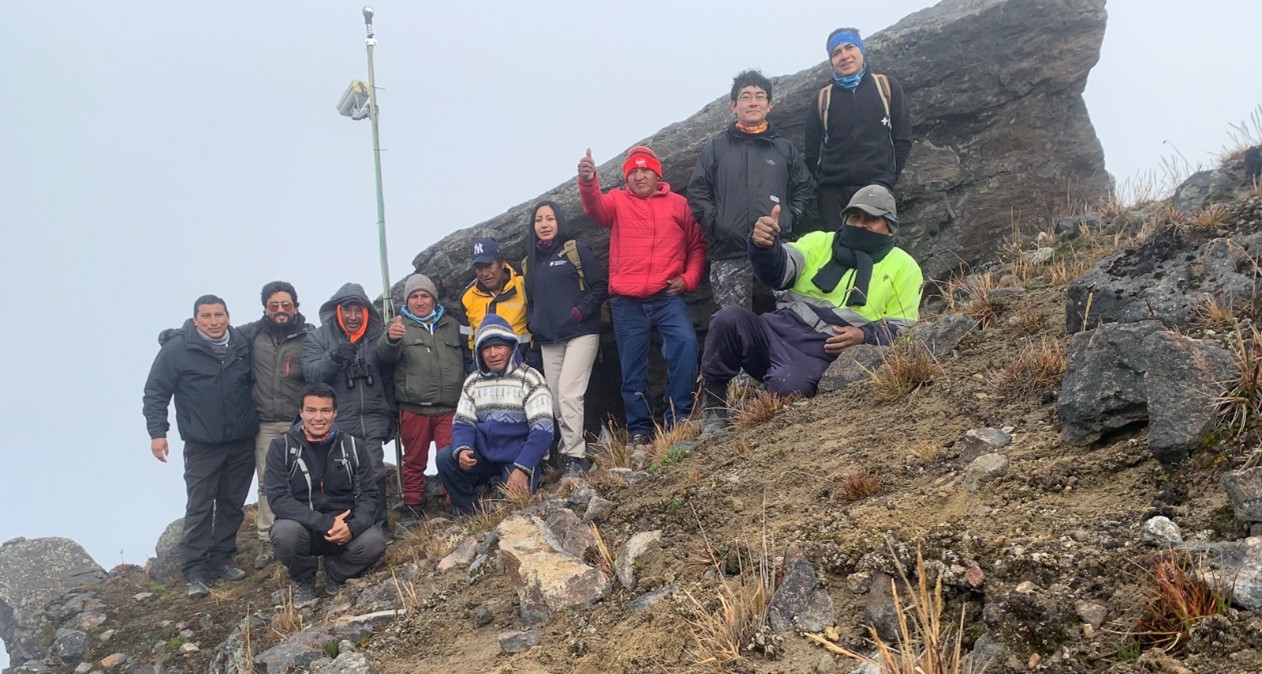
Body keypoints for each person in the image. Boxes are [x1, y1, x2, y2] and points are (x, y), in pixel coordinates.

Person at [699, 185, 922, 431]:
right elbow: (779, 272)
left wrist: (864, 336)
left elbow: (904, 331)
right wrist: (764, 246)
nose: (861, 225)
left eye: (872, 219)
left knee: (787, 386)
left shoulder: (906, 267)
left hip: (822, 351)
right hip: (777, 330)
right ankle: (714, 406)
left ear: (890, 229)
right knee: (727, 319)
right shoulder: (819, 241)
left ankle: (755, 408)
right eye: (855, 217)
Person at [578, 145, 706, 445]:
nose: (639, 176)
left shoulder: (679, 205)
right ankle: (640, 430)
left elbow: (697, 247)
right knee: (632, 366)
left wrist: (688, 280)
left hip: (667, 296)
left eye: (644, 169)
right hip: (627, 301)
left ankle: (680, 417)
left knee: (685, 345)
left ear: (657, 173)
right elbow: (594, 207)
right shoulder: (618, 202)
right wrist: (588, 180)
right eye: (632, 172)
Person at [143, 295, 258, 598]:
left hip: (242, 440)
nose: (213, 321)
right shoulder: (177, 350)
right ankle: (195, 570)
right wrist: (158, 433)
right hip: (202, 444)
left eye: (218, 314)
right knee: (200, 506)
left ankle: (222, 559)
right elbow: (155, 392)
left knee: (233, 505)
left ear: (228, 316)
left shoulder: (242, 344)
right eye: (205, 316)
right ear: (195, 320)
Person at [688, 69, 812, 310]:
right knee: (733, 323)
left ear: (769, 105)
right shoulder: (716, 148)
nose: (753, 102)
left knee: (790, 318)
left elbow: (804, 188)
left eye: (760, 96)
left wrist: (789, 218)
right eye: (746, 96)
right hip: (729, 252)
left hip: (778, 248)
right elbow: (697, 192)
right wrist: (718, 225)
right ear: (733, 105)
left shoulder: (784, 149)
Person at [264, 383, 386, 606]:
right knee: (284, 533)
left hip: (344, 530)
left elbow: (369, 495)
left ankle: (336, 573)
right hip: (305, 528)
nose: (318, 417)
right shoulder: (280, 448)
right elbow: (278, 499)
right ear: (300, 412)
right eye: (311, 410)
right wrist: (325, 523)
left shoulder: (354, 447)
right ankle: (304, 580)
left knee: (374, 541)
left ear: (335, 412)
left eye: (325, 410)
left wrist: (353, 528)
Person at [521, 201, 609, 476]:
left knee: (570, 394)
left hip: (581, 333)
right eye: (539, 220)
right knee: (556, 400)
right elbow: (531, 300)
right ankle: (569, 452)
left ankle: (575, 456)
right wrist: (534, 322)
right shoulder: (529, 262)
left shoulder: (575, 250)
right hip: (549, 339)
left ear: (559, 221)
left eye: (550, 218)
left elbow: (599, 286)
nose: (544, 224)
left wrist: (578, 313)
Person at [436, 315, 554, 516]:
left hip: (518, 458)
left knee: (511, 509)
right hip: (484, 457)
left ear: (511, 347)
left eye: (499, 346)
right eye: (486, 349)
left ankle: (502, 485)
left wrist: (522, 469)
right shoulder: (473, 381)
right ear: (480, 353)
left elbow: (543, 431)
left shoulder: (531, 378)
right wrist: (463, 450)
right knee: (445, 458)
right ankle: (467, 510)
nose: (493, 354)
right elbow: (463, 422)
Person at [301, 283, 395, 531]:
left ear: (366, 312)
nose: (353, 317)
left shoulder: (378, 338)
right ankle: (343, 528)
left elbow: (390, 376)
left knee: (374, 474)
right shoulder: (318, 338)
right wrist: (334, 357)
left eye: (358, 311)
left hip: (373, 419)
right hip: (337, 423)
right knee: (338, 479)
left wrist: (391, 414)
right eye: (348, 310)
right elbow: (311, 375)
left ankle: (378, 528)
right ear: (337, 311)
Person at [804, 27, 912, 232]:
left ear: (861, 50)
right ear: (831, 60)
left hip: (876, 186)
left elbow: (902, 138)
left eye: (849, 47)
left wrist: (888, 179)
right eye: (836, 53)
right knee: (837, 253)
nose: (844, 56)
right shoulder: (822, 99)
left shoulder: (887, 87)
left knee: (874, 251)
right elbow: (811, 152)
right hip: (833, 192)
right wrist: (824, 181)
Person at [237, 281, 313, 569]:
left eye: (286, 304)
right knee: (268, 482)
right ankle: (267, 542)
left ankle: (304, 532)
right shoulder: (251, 334)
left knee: (305, 478)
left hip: (300, 421)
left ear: (296, 306)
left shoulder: (310, 335)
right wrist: (180, 332)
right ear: (265, 309)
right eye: (274, 305)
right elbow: (216, 333)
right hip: (265, 423)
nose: (281, 310)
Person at [376, 273, 466, 517]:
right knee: (414, 461)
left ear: (434, 299)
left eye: (424, 295)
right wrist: (390, 340)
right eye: (414, 296)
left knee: (450, 457)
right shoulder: (397, 325)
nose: (419, 301)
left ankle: (454, 501)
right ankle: (412, 506)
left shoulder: (452, 325)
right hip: (414, 408)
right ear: (407, 301)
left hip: (449, 407)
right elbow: (383, 356)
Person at [460, 237, 537, 367]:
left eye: (489, 266)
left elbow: (538, 324)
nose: (485, 273)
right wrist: (472, 367)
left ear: (501, 263)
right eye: (479, 268)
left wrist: (533, 358)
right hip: (484, 370)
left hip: (524, 364)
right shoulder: (467, 297)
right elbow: (466, 340)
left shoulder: (523, 285)